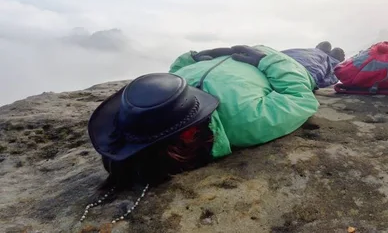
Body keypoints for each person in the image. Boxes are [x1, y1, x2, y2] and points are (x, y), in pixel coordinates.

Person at [84, 45, 319, 224]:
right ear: (189, 135)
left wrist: (192, 58)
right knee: (321, 59)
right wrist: (268, 60)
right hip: (288, 65)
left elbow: (170, 81)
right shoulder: (245, 119)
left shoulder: (163, 107)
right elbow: (301, 98)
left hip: (239, 57)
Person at [281, 41, 345, 89]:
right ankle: (330, 57)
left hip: (283, 61)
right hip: (301, 72)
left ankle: (320, 52)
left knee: (314, 56)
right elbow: (329, 79)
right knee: (326, 63)